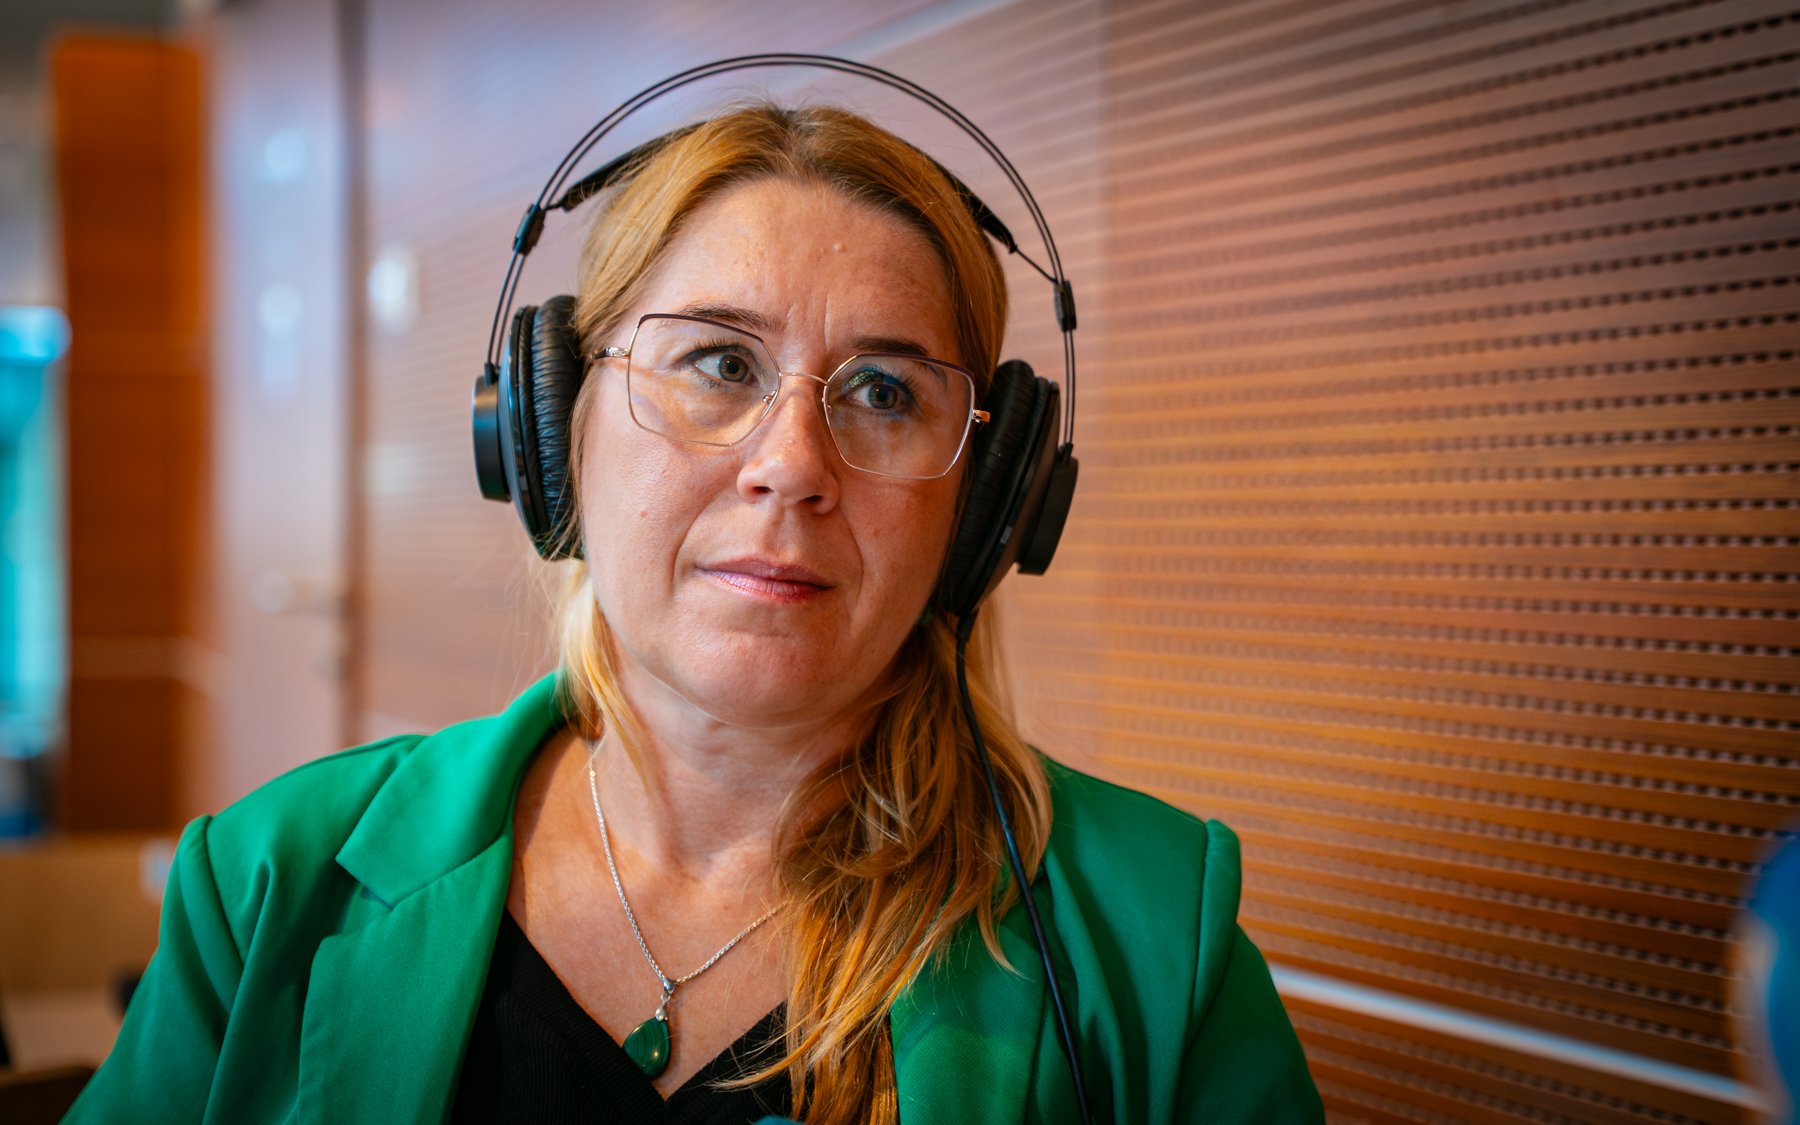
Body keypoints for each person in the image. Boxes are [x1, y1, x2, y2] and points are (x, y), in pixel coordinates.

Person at [66, 103, 1322, 1124]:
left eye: (884, 390)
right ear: (554, 428)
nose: (792, 465)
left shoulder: (1160, 935)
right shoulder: (267, 879)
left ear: (989, 500)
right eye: (719, 362)